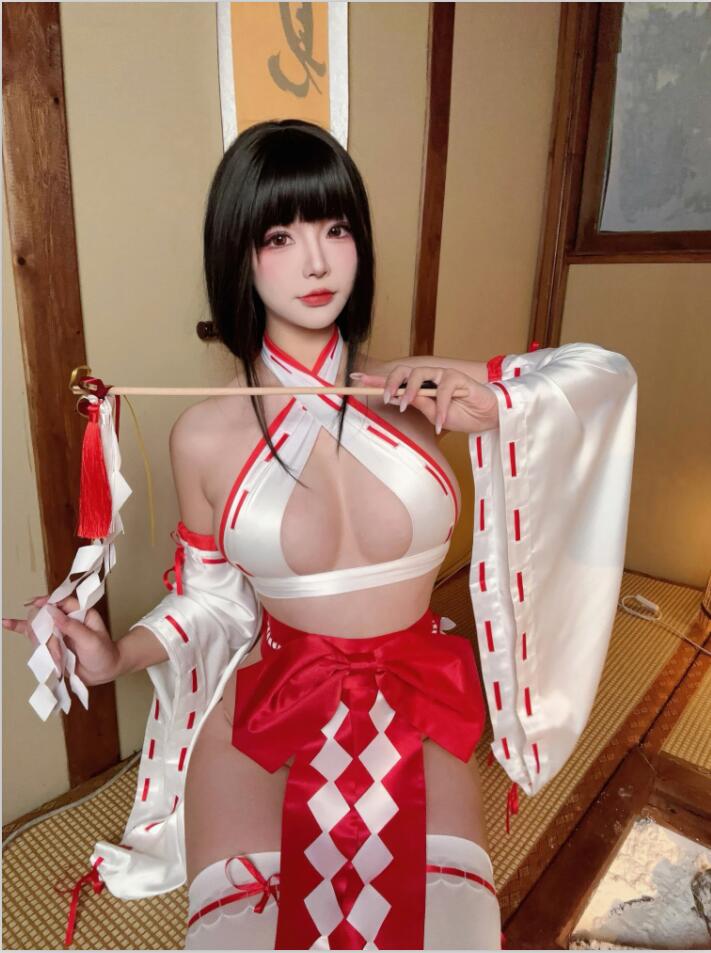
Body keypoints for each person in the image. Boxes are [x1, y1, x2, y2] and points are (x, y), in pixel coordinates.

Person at [5, 118, 638, 951]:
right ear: (238, 253)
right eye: (280, 236)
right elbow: (213, 605)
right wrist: (115, 656)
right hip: (268, 710)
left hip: (417, 702)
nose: (316, 262)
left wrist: (502, 404)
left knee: (453, 935)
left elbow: (603, 377)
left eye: (336, 229)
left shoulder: (421, 396)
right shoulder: (203, 436)